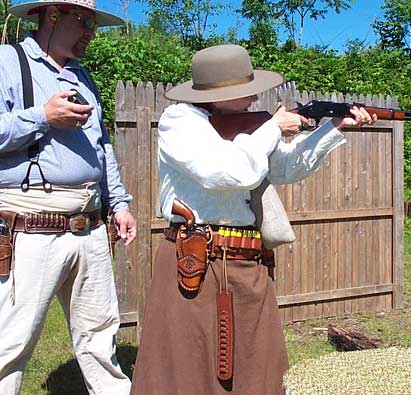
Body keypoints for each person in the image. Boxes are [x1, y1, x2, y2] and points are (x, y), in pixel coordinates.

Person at [130, 44, 376, 395]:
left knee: (257, 365)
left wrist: (333, 128)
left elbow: (287, 166)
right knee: (184, 368)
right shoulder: (179, 122)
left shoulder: (249, 132)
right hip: (195, 261)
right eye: (242, 92)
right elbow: (229, 171)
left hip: (247, 261)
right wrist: (273, 128)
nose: (251, 99)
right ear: (217, 95)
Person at [0, 0, 136, 393]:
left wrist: (119, 204)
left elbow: (102, 147)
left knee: (100, 336)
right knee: (10, 342)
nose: (90, 32)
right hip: (30, 227)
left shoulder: (82, 76)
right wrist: (43, 117)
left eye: (93, 23)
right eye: (84, 20)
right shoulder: (8, 62)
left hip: (90, 225)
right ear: (53, 15)